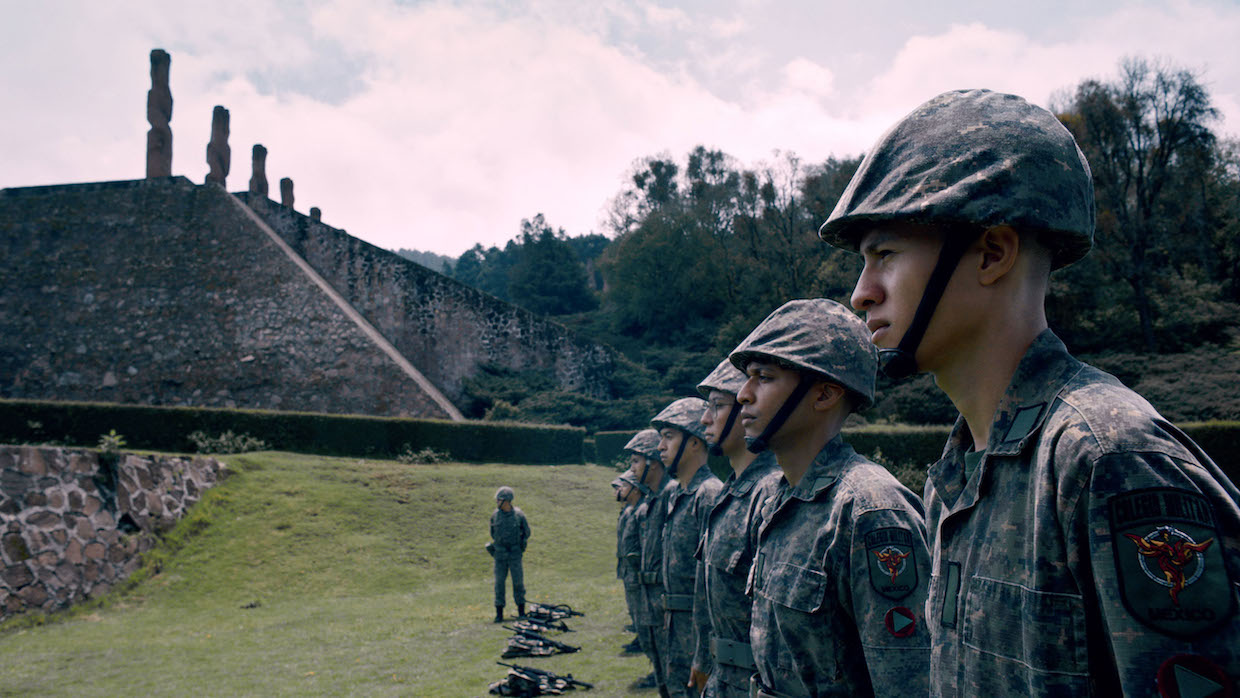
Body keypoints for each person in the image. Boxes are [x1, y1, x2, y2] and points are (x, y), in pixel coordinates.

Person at [822, 88, 1240, 696]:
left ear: (992, 253)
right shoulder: (961, 470)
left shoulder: (1110, 458)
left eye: (885, 254)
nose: (862, 293)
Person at [730, 298, 931, 696]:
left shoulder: (870, 510)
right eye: (747, 376)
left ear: (824, 395)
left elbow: (908, 681)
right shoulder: (776, 498)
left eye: (764, 377)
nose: (743, 395)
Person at [690, 358, 782, 697]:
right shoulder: (728, 493)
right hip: (724, 677)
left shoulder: (770, 493)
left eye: (717, 406)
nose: (705, 419)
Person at [652, 397, 723, 697]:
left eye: (669, 437)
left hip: (697, 630)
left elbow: (713, 585)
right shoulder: (676, 494)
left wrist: (704, 654)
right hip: (674, 625)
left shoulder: (708, 495)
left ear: (695, 443)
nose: (660, 447)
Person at [626, 427, 675, 695]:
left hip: (668, 605)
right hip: (651, 601)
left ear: (652, 462)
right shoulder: (652, 501)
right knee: (662, 677)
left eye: (636, 461)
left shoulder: (671, 494)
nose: (631, 469)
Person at [489, 485, 530, 623]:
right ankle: (499, 613)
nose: (497, 502)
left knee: (518, 582)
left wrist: (519, 546)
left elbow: (527, 532)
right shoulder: (495, 515)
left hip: (514, 554)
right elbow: (492, 533)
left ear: (506, 500)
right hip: (500, 555)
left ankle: (521, 611)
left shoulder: (518, 515)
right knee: (499, 583)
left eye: (499, 499)